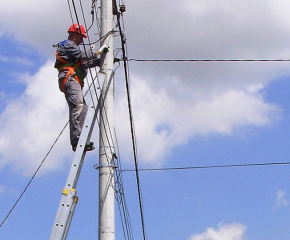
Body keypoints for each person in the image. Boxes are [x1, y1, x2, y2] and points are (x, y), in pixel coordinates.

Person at [55, 23, 108, 151]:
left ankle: (81, 138)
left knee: (83, 108)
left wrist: (104, 60)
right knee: (77, 107)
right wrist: (98, 51)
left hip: (73, 79)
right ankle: (77, 141)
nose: (82, 40)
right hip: (70, 78)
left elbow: (85, 62)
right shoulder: (68, 45)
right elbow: (83, 56)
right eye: (81, 37)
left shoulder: (73, 50)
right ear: (74, 35)